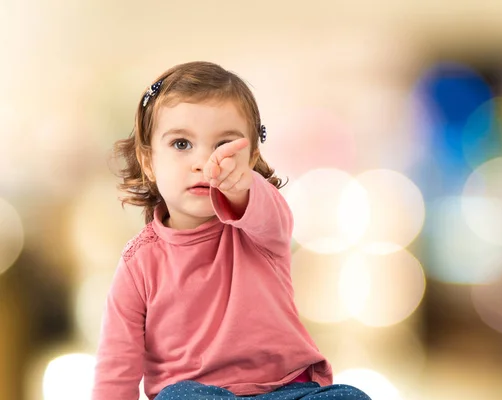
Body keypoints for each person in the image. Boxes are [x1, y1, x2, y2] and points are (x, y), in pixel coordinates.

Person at [92, 61, 371, 400]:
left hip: (286, 390)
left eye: (224, 146)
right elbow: (116, 367)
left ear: (251, 158)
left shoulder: (263, 227)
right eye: (181, 144)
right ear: (149, 161)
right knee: (177, 397)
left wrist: (240, 187)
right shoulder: (139, 263)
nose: (204, 162)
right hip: (196, 394)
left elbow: (264, 208)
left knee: (349, 397)